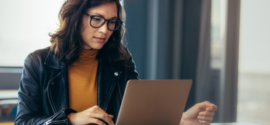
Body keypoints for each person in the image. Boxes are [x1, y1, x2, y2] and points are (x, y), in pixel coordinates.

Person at [14, 0, 218, 125]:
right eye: (97, 19)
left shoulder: (120, 60)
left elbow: (139, 114)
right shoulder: (39, 62)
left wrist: (180, 120)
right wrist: (70, 119)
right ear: (75, 17)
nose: (105, 29)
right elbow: (23, 122)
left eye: (112, 22)